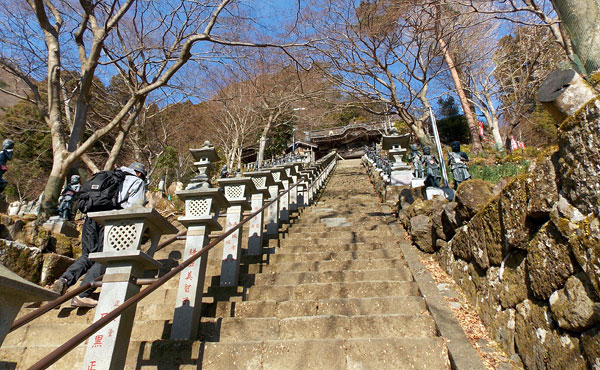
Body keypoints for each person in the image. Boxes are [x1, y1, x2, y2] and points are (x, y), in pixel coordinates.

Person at [51, 162, 147, 308]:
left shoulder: (110, 175)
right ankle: (82, 294)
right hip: (110, 220)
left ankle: (64, 281)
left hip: (90, 218)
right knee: (106, 257)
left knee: (88, 255)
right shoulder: (136, 181)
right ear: (139, 173)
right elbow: (134, 207)